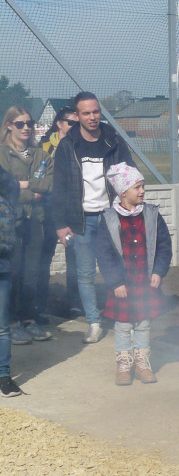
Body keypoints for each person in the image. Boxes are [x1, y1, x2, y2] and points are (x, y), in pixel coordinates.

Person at [52, 91, 135, 344]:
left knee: (119, 270)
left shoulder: (114, 141)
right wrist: (60, 223)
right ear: (76, 116)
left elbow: (130, 175)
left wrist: (128, 208)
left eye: (96, 111)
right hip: (82, 220)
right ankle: (94, 323)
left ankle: (125, 318)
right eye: (86, 113)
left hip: (112, 217)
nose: (92, 117)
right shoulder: (68, 146)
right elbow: (60, 187)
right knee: (86, 274)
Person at [95, 163, 171, 385]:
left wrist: (158, 271)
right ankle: (124, 363)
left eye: (143, 186)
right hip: (123, 284)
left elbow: (164, 245)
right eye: (137, 187)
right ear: (122, 192)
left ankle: (142, 362)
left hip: (145, 282)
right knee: (123, 324)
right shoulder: (109, 219)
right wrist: (115, 282)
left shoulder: (152, 215)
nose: (142, 191)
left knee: (144, 322)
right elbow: (104, 253)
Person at [0, 106, 53, 344]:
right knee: (12, 272)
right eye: (20, 124)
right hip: (9, 223)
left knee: (32, 272)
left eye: (29, 123)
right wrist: (27, 189)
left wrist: (22, 185)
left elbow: (48, 185)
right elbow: (5, 191)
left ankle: (28, 319)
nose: (26, 128)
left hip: (34, 220)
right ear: (9, 125)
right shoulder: (2, 154)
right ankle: (10, 322)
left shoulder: (41, 155)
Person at [39, 105, 80, 319]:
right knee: (43, 256)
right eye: (71, 123)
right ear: (59, 123)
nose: (75, 127)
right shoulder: (44, 146)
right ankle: (40, 303)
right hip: (46, 210)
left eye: (77, 123)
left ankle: (74, 302)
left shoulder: (78, 145)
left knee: (74, 256)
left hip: (70, 210)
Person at [0, 163, 24, 397]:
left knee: (2, 327)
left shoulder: (4, 178)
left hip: (2, 264)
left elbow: (14, 187)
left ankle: (4, 377)